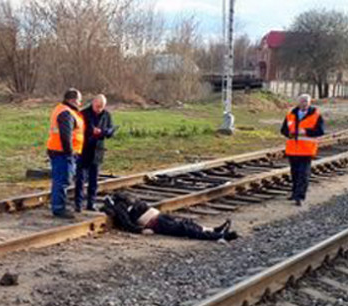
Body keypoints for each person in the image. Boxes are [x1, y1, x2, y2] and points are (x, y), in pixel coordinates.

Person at [102, 192, 238, 241]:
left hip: (158, 217)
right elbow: (127, 224)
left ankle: (213, 230)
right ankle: (220, 237)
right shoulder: (120, 208)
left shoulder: (124, 201)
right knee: (184, 229)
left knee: (187, 223)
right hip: (154, 223)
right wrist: (141, 230)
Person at [280, 94, 324, 206]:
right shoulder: (291, 114)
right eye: (302, 101)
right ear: (298, 102)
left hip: (306, 150)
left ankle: (300, 196)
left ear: (310, 103)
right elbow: (283, 129)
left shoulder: (316, 114)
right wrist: (288, 133)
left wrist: (306, 132)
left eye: (306, 101)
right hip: (292, 149)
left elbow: (320, 131)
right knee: (294, 173)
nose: (304, 103)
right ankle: (294, 193)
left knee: (303, 174)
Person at [46, 89, 84, 218]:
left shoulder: (63, 109)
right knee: (62, 180)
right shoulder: (66, 113)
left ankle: (59, 205)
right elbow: (65, 136)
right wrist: (70, 153)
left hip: (58, 151)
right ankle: (58, 208)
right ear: (72, 100)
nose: (80, 103)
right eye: (79, 100)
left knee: (61, 180)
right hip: (62, 153)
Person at [75, 94, 116, 212]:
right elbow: (78, 130)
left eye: (101, 107)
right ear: (93, 103)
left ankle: (91, 203)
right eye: (97, 106)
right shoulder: (83, 114)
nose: (99, 109)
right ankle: (78, 204)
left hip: (98, 150)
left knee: (94, 179)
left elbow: (110, 129)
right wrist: (91, 131)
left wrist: (105, 132)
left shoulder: (107, 115)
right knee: (80, 179)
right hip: (84, 149)